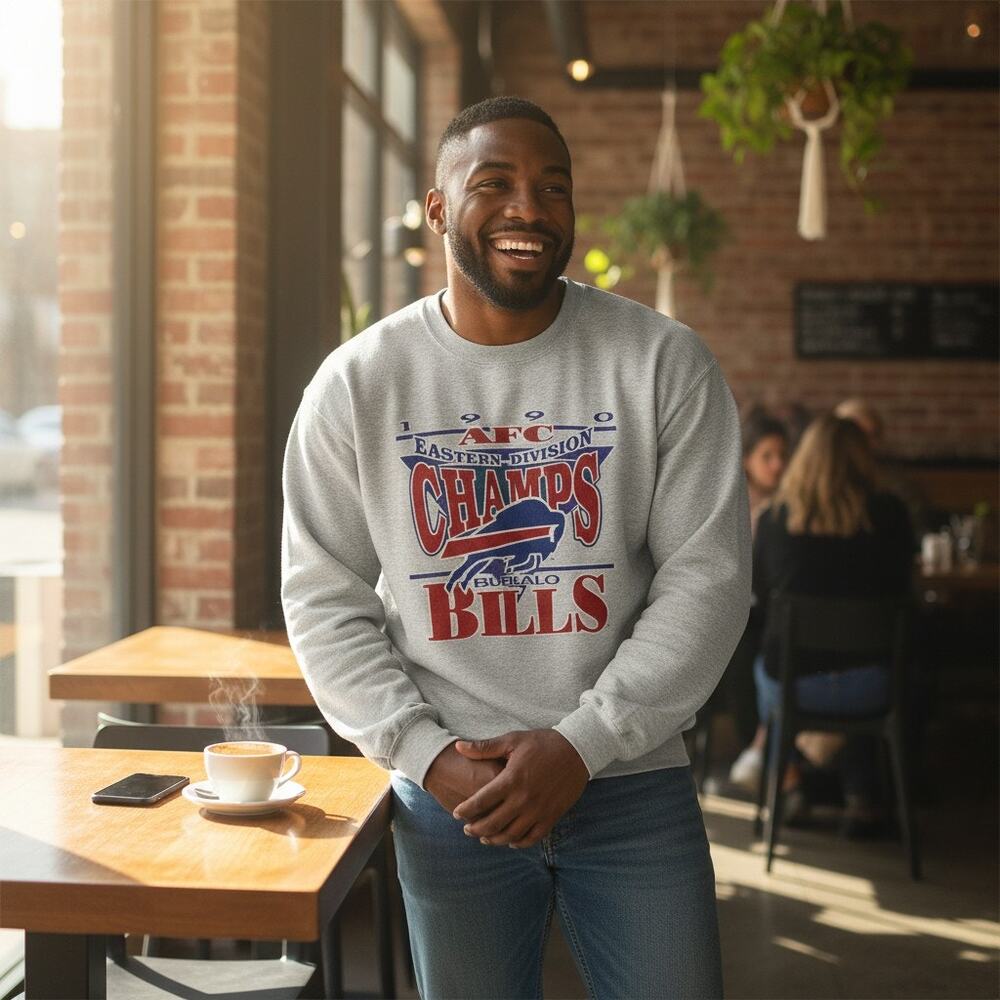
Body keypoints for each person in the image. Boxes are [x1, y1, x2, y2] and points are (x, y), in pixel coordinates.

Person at [281, 95, 751, 998]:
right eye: (493, 183)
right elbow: (323, 595)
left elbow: (709, 580)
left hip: (630, 783)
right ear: (436, 206)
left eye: (552, 188)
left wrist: (582, 745)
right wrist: (426, 755)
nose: (528, 209)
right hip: (452, 793)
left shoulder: (662, 363)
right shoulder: (357, 385)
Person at [750, 413, 916, 835]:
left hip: (793, 685)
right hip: (873, 687)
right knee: (869, 656)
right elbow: (904, 585)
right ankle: (864, 798)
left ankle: (789, 783)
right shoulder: (892, 514)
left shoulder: (775, 519)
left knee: (763, 665)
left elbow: (761, 593)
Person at [725, 408, 789, 782]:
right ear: (747, 458)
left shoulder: (791, 506)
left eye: (783, 455)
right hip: (739, 611)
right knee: (741, 642)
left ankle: (764, 753)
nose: (778, 465)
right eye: (768, 456)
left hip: (772, 610)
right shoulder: (727, 501)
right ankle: (759, 747)